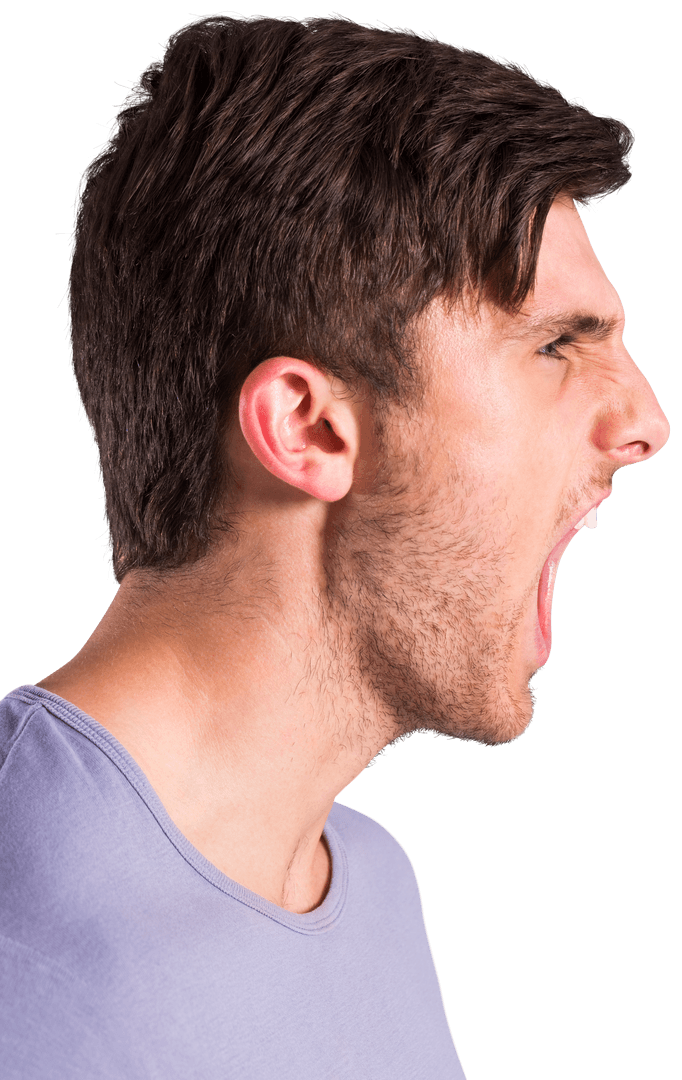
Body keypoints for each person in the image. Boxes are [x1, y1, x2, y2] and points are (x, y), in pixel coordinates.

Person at [1, 12, 669, 1079]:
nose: (645, 420)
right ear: (310, 429)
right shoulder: (27, 970)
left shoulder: (360, 878)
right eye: (554, 345)